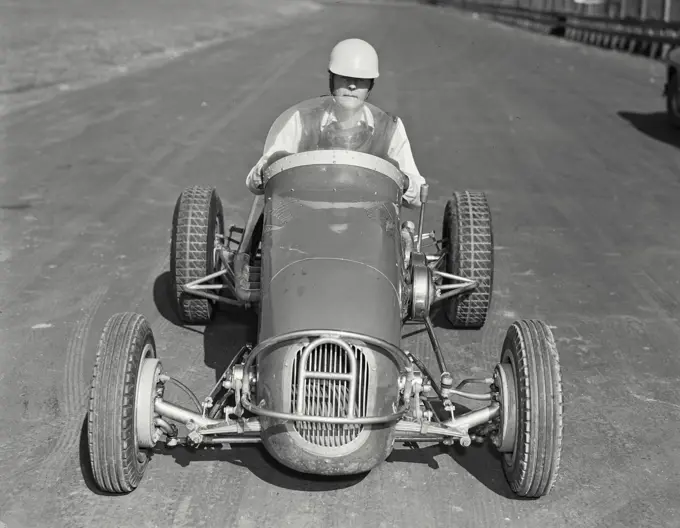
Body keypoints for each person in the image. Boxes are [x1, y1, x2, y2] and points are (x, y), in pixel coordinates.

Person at [245, 38, 427, 208]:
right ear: (331, 78)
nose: (352, 86)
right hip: (303, 217)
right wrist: (268, 167)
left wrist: (401, 179)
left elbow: (418, 195)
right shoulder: (301, 120)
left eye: (361, 80)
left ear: (371, 84)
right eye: (344, 77)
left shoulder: (388, 128)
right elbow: (255, 181)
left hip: (369, 221)